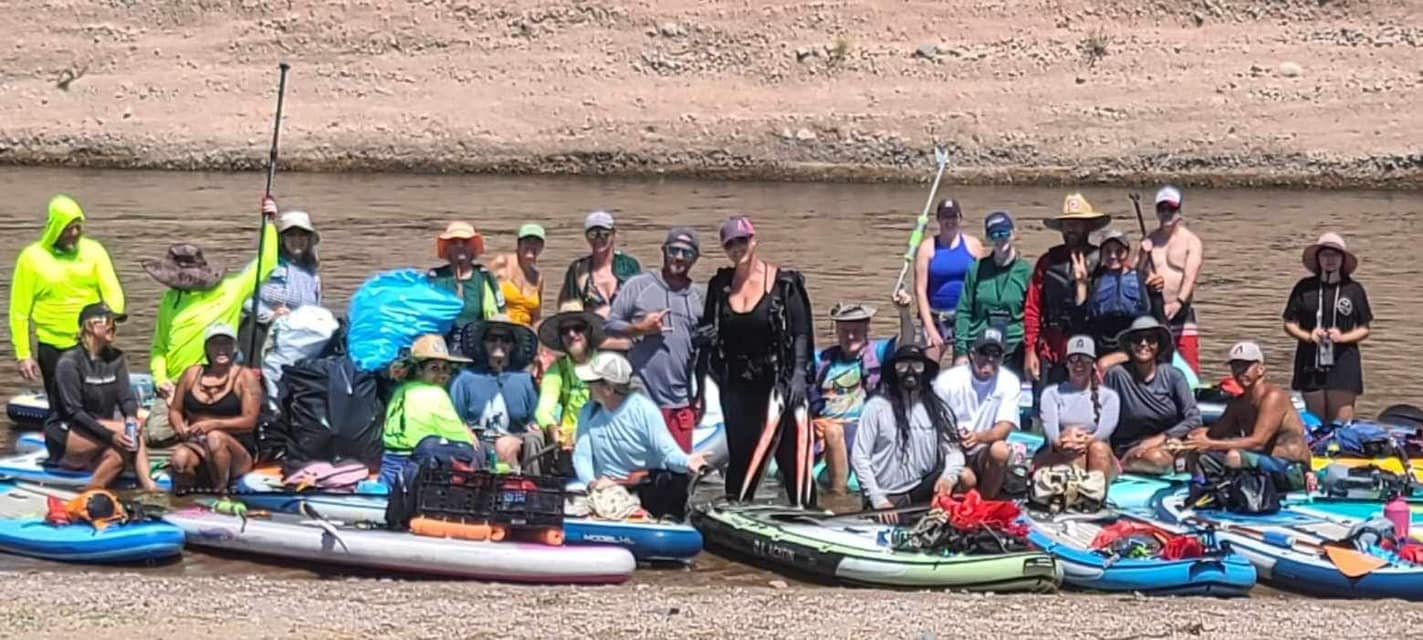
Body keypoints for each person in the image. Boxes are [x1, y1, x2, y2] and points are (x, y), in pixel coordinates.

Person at [696, 215, 816, 506]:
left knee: (789, 454)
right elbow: (707, 329)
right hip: (735, 384)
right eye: (730, 244)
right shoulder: (720, 284)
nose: (738, 248)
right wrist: (705, 341)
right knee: (740, 452)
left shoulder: (784, 284)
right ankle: (737, 509)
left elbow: (801, 332)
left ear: (754, 240)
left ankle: (807, 510)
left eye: (743, 240)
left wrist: (799, 374)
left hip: (777, 381)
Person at [144, 197, 278, 446]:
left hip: (215, 383)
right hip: (175, 386)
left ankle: (207, 428)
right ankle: (194, 430)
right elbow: (159, 348)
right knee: (154, 434)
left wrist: (269, 223)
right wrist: (161, 380)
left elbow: (267, 264)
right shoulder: (169, 301)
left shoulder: (230, 289)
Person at [9, 195, 125, 410]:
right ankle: (62, 438)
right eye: (67, 228)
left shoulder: (94, 251)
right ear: (54, 228)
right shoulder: (32, 258)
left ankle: (99, 437)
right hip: (52, 346)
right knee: (63, 407)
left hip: (90, 343)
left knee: (95, 404)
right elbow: (19, 312)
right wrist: (23, 355)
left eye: (77, 228)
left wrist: (107, 325)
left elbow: (114, 294)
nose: (73, 234)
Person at [572, 352, 709, 520]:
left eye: (591, 383)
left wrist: (688, 462)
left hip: (644, 490)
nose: (587, 386)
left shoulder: (644, 410)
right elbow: (582, 456)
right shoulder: (588, 412)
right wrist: (593, 484)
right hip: (606, 494)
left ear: (608, 388)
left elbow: (667, 452)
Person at [604, 227, 706, 451]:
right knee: (643, 473)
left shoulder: (700, 296)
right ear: (663, 251)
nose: (679, 257)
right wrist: (640, 328)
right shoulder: (639, 285)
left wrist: (701, 395)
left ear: (695, 259)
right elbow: (609, 326)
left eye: (687, 253)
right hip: (642, 394)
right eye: (674, 250)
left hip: (681, 401)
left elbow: (703, 354)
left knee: (678, 474)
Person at [43, 303, 157, 491]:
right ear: (90, 326)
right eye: (108, 322)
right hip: (66, 432)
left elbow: (126, 398)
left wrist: (130, 416)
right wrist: (111, 436)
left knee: (119, 454)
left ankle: (90, 493)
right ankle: (150, 488)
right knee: (130, 435)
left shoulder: (116, 358)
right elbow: (74, 413)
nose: (113, 327)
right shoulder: (69, 362)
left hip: (100, 430)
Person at [810, 294, 914, 496]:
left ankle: (838, 496)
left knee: (833, 431)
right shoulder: (822, 360)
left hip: (862, 430)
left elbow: (907, 342)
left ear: (867, 330)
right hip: (824, 429)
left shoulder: (880, 353)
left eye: (856, 331)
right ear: (837, 332)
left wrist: (904, 312)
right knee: (829, 429)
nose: (850, 337)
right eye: (845, 331)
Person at [851, 345, 965, 523]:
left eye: (917, 366)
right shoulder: (876, 407)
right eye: (902, 366)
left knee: (965, 476)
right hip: (887, 494)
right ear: (893, 372)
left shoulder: (938, 409)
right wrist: (877, 498)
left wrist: (948, 478)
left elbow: (954, 452)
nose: (910, 372)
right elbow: (859, 457)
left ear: (925, 371)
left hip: (922, 488)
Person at [1184, 342, 1311, 491]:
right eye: (1236, 367)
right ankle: (1201, 489)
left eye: (1246, 366)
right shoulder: (1238, 404)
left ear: (1261, 369)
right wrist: (1186, 441)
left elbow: (1258, 442)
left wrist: (1211, 444)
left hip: (1292, 469)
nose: (1240, 372)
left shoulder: (1273, 397)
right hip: (1261, 464)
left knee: (1234, 456)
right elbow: (1213, 434)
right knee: (1198, 453)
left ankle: (1238, 494)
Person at [1282, 232, 1372, 424]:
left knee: (1341, 424)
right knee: (1316, 423)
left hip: (1343, 361)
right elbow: (1288, 323)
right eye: (1325, 255)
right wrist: (1308, 336)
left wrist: (1343, 337)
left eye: (1335, 255)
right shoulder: (1304, 287)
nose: (1330, 260)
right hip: (1310, 360)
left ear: (1342, 259)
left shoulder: (1354, 290)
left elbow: (1364, 328)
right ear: (1318, 259)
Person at [1024, 193, 1110, 389]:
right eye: (1067, 224)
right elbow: (1033, 309)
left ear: (1088, 226)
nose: (1071, 228)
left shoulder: (1103, 261)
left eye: (1077, 223)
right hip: (1052, 349)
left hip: (1089, 348)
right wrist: (1030, 350)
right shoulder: (1047, 262)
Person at [167, 324, 263, 493]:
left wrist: (212, 424)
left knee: (215, 438)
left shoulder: (244, 377)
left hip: (236, 451)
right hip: (197, 445)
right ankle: (187, 497)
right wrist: (179, 426)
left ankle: (221, 492)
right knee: (179, 460)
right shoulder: (191, 374)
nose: (221, 350)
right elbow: (175, 410)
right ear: (206, 348)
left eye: (226, 344)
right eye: (215, 344)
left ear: (234, 348)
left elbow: (249, 422)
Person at [1103, 316, 1201, 475]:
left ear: (1158, 345)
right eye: (1137, 339)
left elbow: (1194, 418)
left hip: (1169, 443)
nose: (1143, 344)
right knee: (1157, 458)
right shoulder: (1117, 375)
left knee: (1201, 438)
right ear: (1129, 345)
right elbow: (1103, 417)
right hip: (1132, 447)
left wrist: (1162, 438)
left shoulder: (1173, 375)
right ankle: (1124, 464)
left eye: (1150, 339)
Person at [931, 328, 1021, 498]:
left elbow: (1005, 426)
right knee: (967, 479)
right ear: (972, 354)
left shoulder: (1010, 381)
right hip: (950, 447)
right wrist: (955, 437)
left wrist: (978, 437)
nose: (989, 359)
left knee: (1000, 450)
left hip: (983, 449)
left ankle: (986, 504)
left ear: (1002, 358)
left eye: (996, 355)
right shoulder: (947, 381)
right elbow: (936, 422)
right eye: (984, 353)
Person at [379, 334, 477, 486]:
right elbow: (461, 439)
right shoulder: (435, 394)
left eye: (445, 369)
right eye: (434, 368)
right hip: (417, 466)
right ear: (419, 370)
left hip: (389, 462)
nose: (442, 375)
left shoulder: (401, 390)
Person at [450, 316, 542, 472]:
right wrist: (463, 430)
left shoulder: (526, 381)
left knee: (530, 440)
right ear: (483, 343)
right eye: (492, 338)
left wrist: (522, 437)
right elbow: (454, 417)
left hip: (514, 442)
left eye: (505, 339)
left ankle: (533, 490)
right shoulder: (465, 379)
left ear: (513, 345)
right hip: (476, 443)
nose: (498, 344)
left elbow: (534, 420)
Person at [240, 209, 322, 365]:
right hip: (262, 339)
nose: (297, 239)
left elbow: (317, 310)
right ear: (281, 239)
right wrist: (270, 314)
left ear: (309, 239)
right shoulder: (264, 265)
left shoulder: (312, 275)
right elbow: (242, 297)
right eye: (291, 234)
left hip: (298, 342)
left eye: (302, 234)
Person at [954, 210, 1031, 376]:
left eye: (1004, 233)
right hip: (979, 347)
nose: (1000, 239)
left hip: (1013, 348)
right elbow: (964, 311)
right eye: (994, 234)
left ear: (1013, 234)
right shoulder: (977, 269)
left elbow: (1032, 315)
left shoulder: (1026, 271)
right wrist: (961, 351)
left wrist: (1031, 352)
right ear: (988, 238)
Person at [1035, 335, 1120, 480]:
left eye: (1085, 359)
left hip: (1096, 452)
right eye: (1074, 359)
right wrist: (1067, 441)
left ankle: (1097, 497)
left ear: (1093, 363)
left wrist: (1084, 442)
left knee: (1098, 449)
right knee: (1072, 456)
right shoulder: (1051, 393)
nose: (1079, 365)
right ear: (1066, 363)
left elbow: (1104, 432)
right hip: (1062, 450)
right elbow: (1052, 434)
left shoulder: (1109, 397)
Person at [1141, 186, 1204, 374]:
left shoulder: (1191, 241)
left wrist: (1178, 302)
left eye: (1171, 208)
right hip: (1156, 312)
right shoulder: (1148, 240)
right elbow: (1137, 274)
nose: (1167, 213)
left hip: (1182, 313)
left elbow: (1191, 276)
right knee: (1156, 363)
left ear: (1179, 210)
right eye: (1162, 208)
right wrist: (1143, 257)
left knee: (1189, 364)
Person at [914, 199, 984, 361]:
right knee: (929, 367)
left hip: (965, 316)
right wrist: (930, 328)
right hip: (936, 316)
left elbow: (982, 285)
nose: (949, 221)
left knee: (962, 369)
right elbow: (920, 290)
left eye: (953, 216)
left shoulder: (974, 245)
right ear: (938, 219)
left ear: (960, 218)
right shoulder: (927, 247)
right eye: (945, 217)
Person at [536, 302, 606, 454]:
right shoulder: (556, 369)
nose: (571, 334)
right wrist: (552, 427)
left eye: (578, 328)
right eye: (565, 330)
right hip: (564, 439)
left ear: (588, 332)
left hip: (599, 437)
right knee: (532, 438)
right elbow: (543, 409)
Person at [428, 221, 505, 355]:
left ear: (473, 248)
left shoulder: (484, 277)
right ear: (447, 249)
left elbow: (500, 315)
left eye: (465, 242)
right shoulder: (435, 278)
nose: (460, 246)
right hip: (441, 347)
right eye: (454, 243)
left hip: (478, 346)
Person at [1074, 229, 1152, 357]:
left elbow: (1147, 310)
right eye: (1108, 251)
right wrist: (1081, 283)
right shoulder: (1096, 280)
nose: (1113, 256)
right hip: (1101, 345)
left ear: (1127, 252)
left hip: (1131, 345)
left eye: (1119, 251)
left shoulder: (1138, 278)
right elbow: (1083, 316)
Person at [557, 210, 642, 317]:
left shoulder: (629, 266)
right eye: (593, 234)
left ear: (613, 234)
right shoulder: (578, 269)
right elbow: (567, 308)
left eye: (604, 234)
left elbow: (641, 304)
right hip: (590, 329)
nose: (598, 239)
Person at [488, 224, 546, 328]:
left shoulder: (538, 277)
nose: (532, 246)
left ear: (542, 247)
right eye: (527, 241)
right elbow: (482, 295)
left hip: (525, 333)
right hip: (500, 329)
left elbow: (536, 317)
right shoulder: (502, 263)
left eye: (536, 242)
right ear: (519, 244)